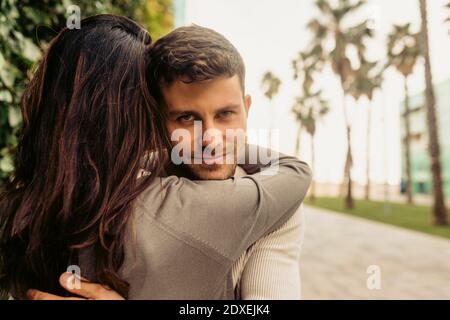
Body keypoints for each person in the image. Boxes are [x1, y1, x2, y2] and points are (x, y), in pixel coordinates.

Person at [1, 15, 311, 300]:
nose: (210, 137)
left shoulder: (19, 215)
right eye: (186, 117)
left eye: (226, 114)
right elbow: (294, 171)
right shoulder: (169, 205)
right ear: (151, 118)